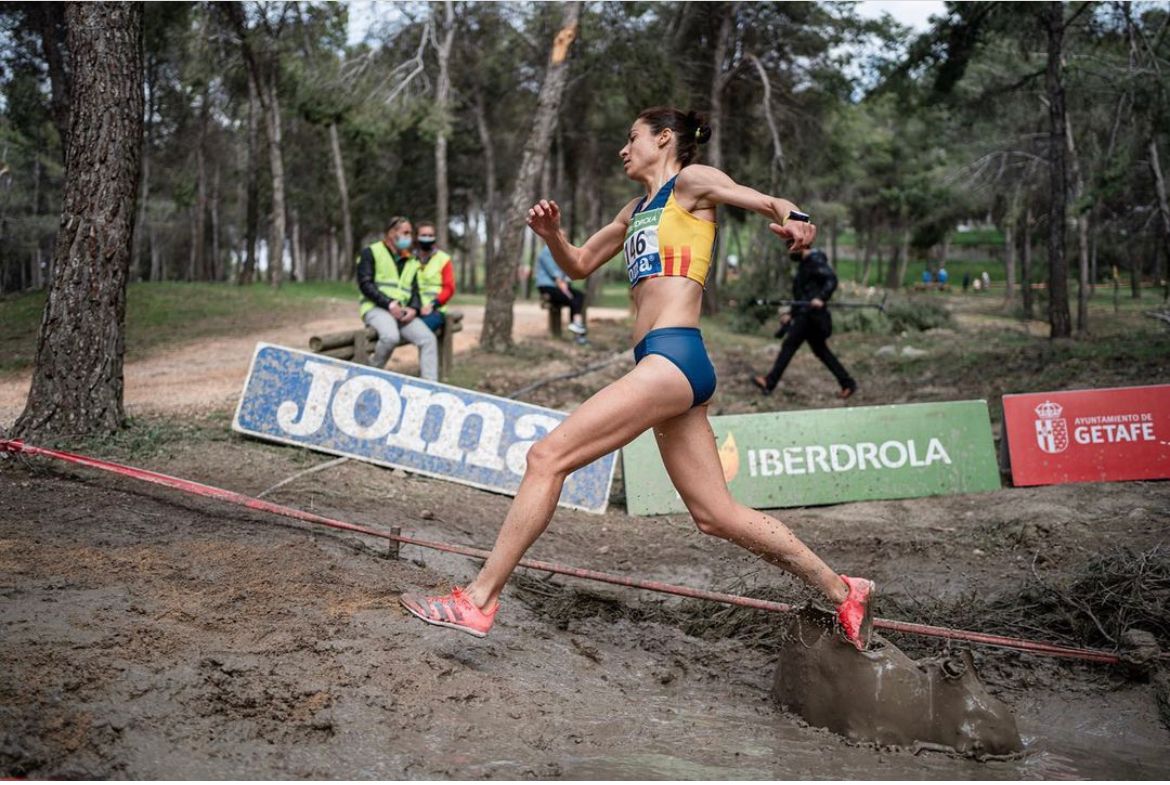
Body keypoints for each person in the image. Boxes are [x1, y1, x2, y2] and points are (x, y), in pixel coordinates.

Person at [400, 107, 875, 651]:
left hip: (673, 356)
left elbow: (765, 199)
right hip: (668, 365)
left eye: (632, 139)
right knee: (715, 515)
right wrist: (553, 236)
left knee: (546, 458)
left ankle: (478, 601)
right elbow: (578, 264)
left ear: (664, 139)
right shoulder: (634, 210)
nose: (624, 150)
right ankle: (844, 591)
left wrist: (796, 217)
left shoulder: (691, 183)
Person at [750, 248, 857, 399]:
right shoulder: (805, 264)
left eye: (790, 246)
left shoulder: (815, 261)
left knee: (789, 346)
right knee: (821, 351)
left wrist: (821, 297)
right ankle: (848, 384)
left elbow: (831, 279)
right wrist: (791, 314)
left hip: (811, 317)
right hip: (806, 315)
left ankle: (770, 382)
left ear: (801, 244)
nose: (789, 251)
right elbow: (803, 295)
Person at [356, 216, 439, 380]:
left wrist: (414, 309)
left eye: (410, 233)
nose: (409, 237)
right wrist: (389, 304)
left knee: (428, 339)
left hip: (402, 312)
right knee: (390, 337)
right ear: (391, 233)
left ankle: (431, 387)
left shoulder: (411, 260)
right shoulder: (371, 252)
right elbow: (365, 284)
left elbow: (414, 291)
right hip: (376, 308)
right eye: (405, 233)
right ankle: (370, 375)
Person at [535, 243, 588, 342]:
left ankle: (576, 325)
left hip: (560, 286)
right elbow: (557, 278)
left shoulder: (560, 251)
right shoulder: (547, 252)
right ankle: (578, 333)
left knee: (579, 295)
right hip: (548, 286)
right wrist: (568, 293)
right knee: (573, 300)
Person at [413, 221, 457, 335]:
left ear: (435, 237)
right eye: (423, 235)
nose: (427, 238)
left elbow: (449, 288)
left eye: (430, 235)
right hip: (413, 308)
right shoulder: (409, 260)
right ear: (416, 237)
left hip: (435, 310)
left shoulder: (443, 259)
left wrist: (433, 304)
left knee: (419, 332)